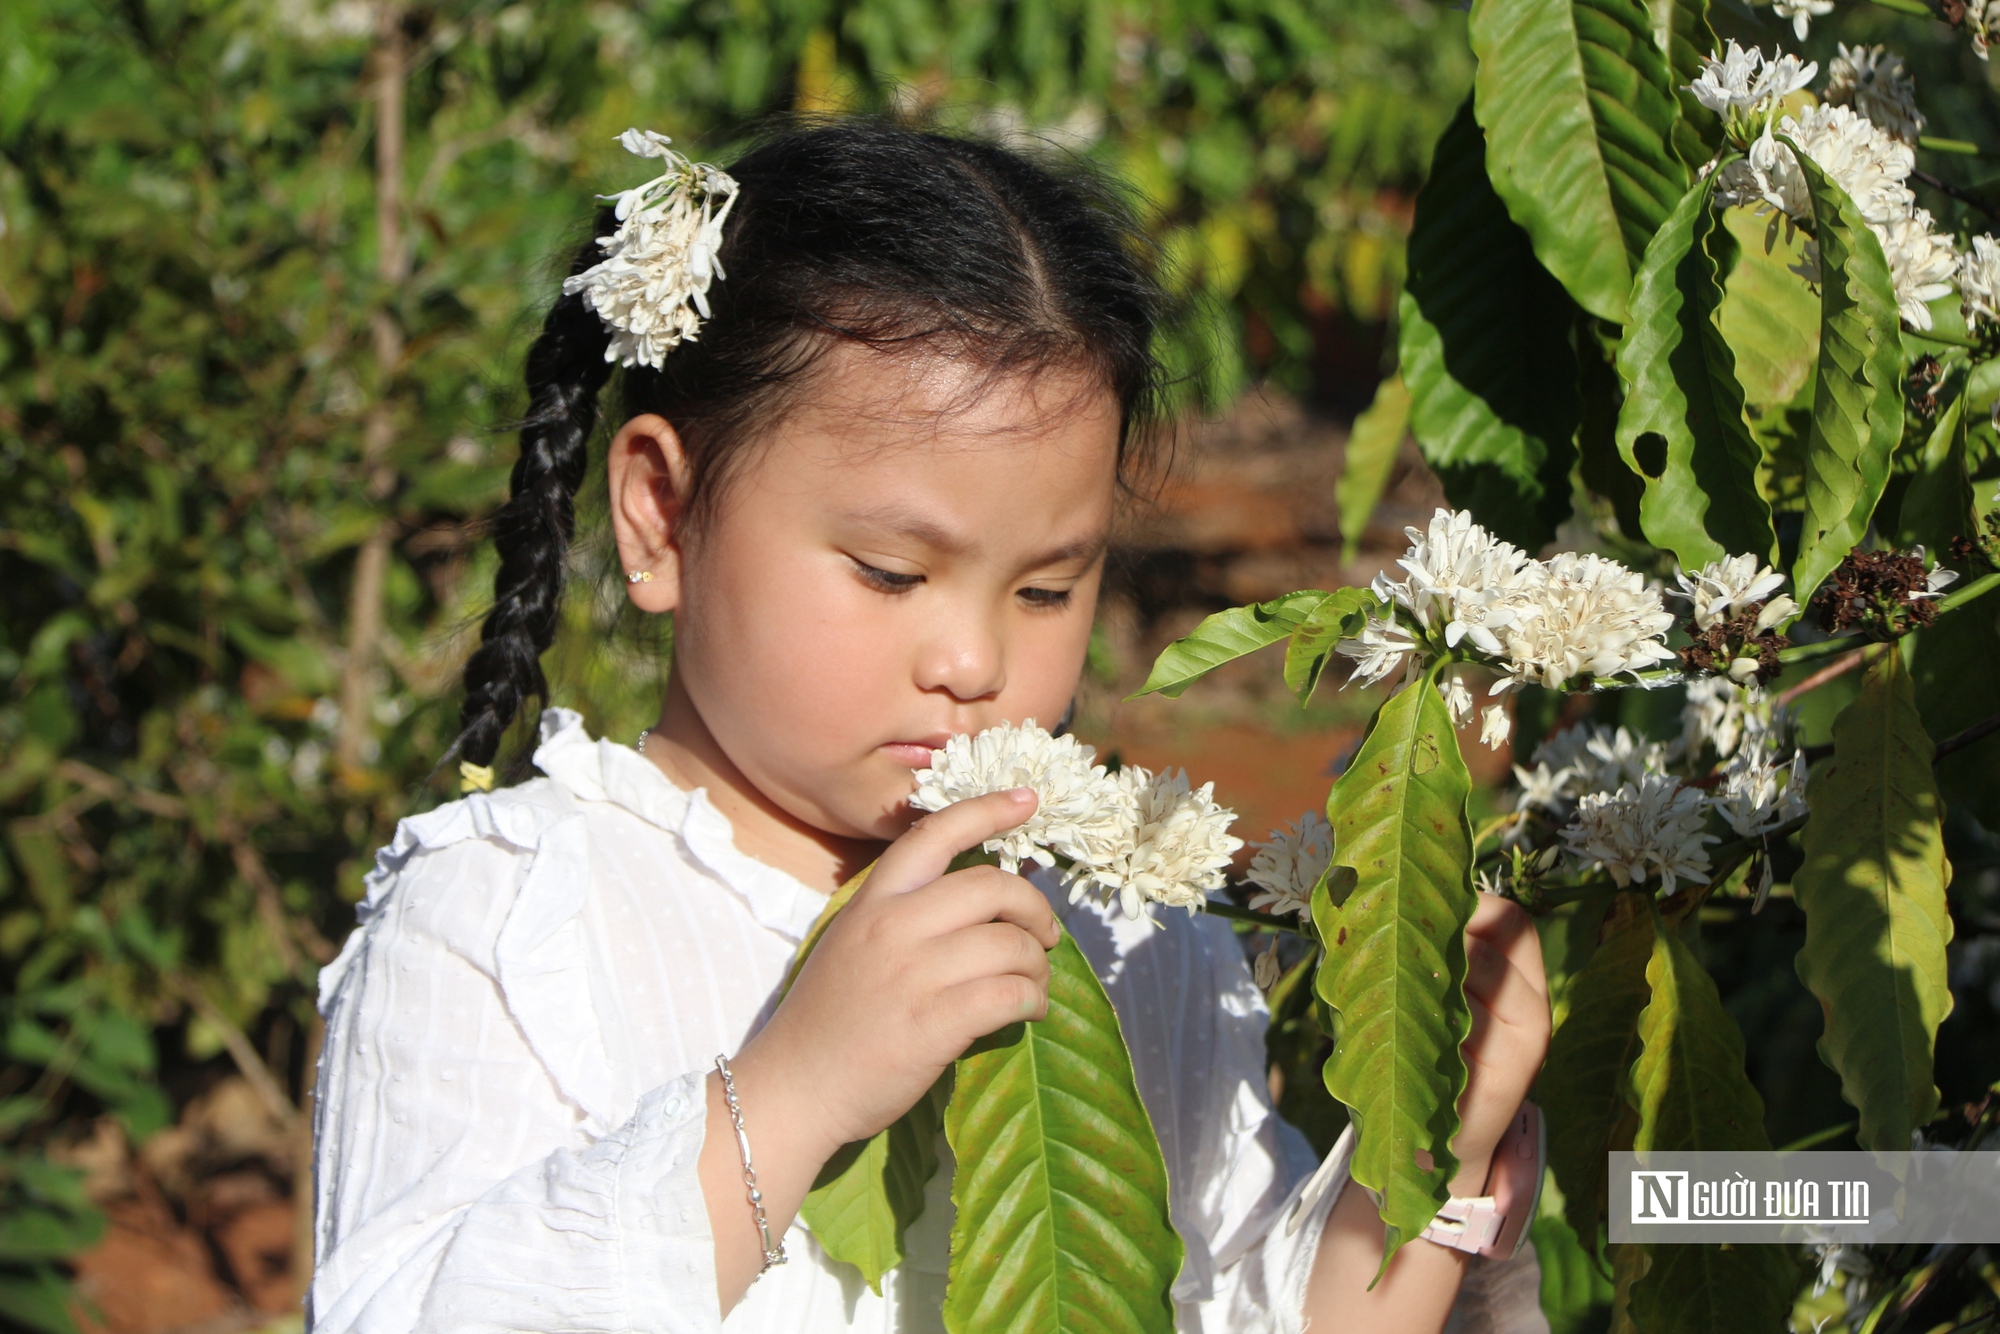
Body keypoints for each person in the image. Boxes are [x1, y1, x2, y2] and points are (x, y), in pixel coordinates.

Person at [307, 119, 1553, 1334]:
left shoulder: (1131, 943)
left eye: (1047, 589)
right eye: (891, 572)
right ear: (658, 515)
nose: (971, 660)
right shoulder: (506, 920)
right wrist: (789, 1094)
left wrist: (1433, 1139)